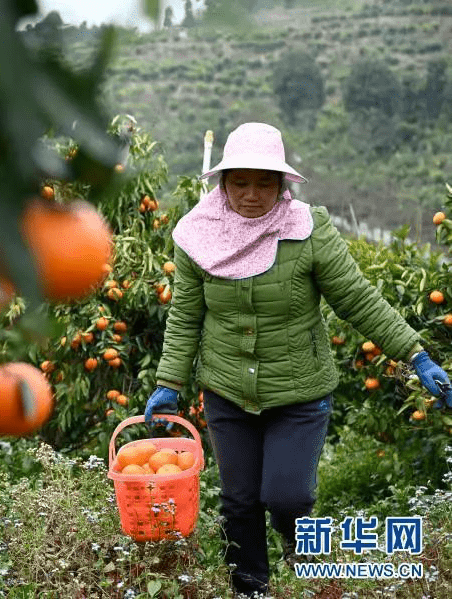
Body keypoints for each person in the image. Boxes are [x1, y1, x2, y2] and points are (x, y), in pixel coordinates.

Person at [142, 122, 452, 598]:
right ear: (222, 183)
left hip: (299, 391)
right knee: (238, 503)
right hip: (226, 390)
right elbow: (186, 316)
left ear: (281, 184)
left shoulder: (307, 229)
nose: (250, 195)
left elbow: (357, 298)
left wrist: (415, 353)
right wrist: (170, 383)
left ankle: (297, 543)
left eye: (264, 183)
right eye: (240, 182)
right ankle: (251, 590)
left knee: (288, 497)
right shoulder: (196, 236)